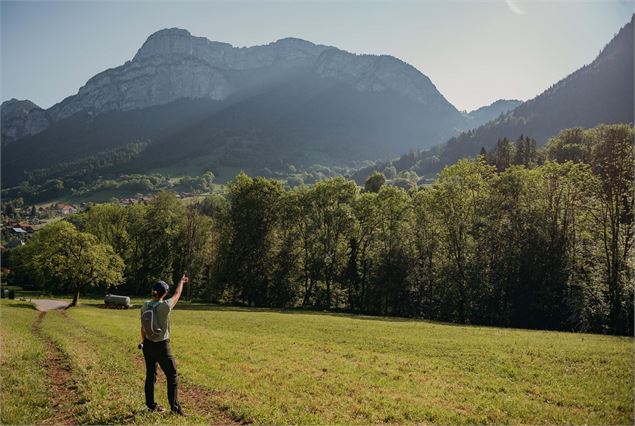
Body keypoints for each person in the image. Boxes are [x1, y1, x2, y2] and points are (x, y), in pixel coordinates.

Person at [139, 274, 188, 415]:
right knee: (172, 376)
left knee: (150, 376)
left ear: (152, 291)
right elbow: (178, 293)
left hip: (147, 345)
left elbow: (142, 327)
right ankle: (175, 409)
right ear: (165, 293)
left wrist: (144, 342)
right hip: (162, 347)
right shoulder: (165, 306)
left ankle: (150, 406)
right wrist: (181, 282)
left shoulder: (145, 305)